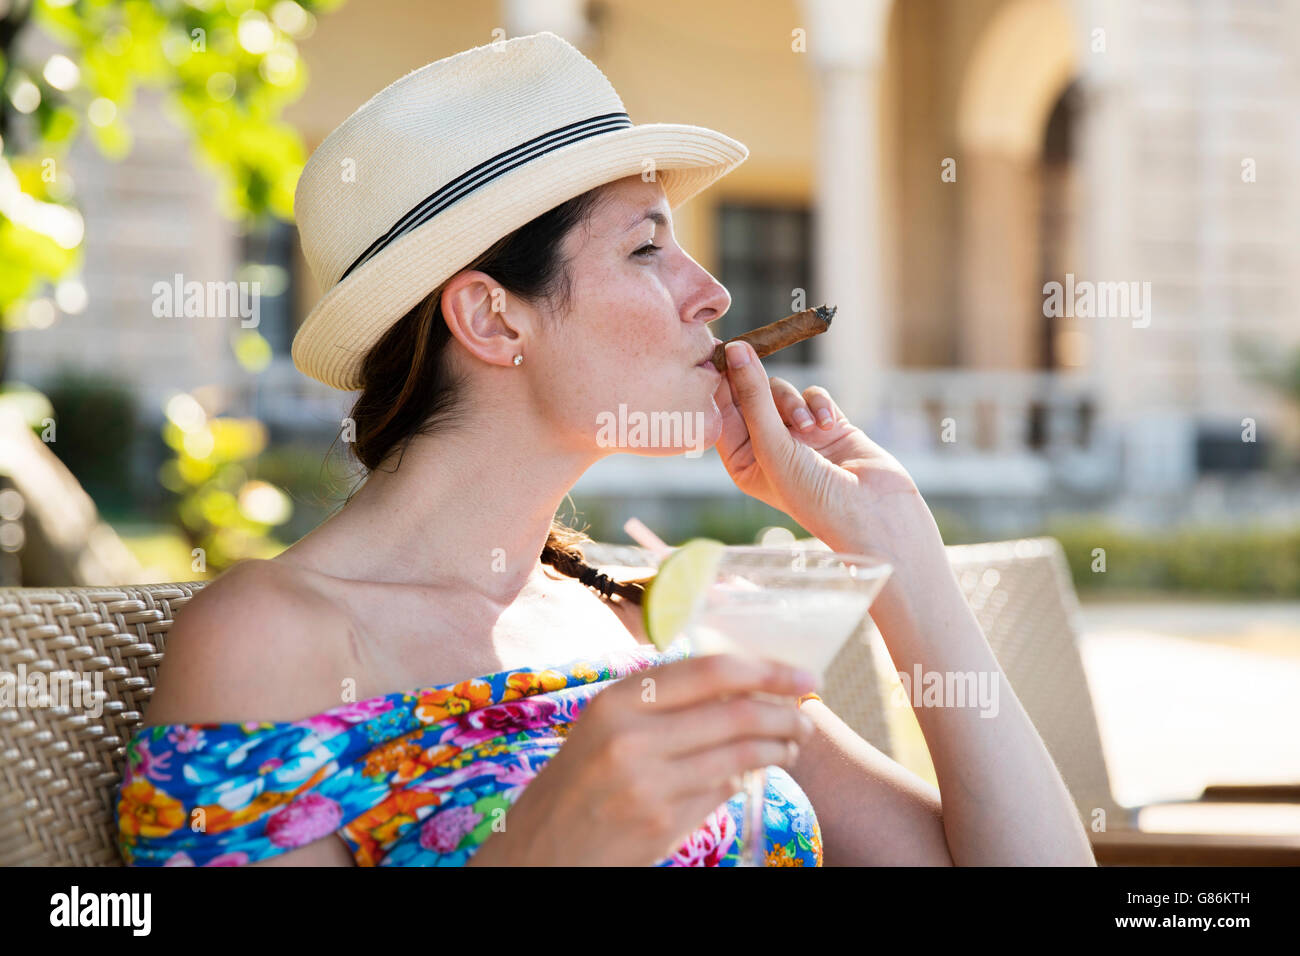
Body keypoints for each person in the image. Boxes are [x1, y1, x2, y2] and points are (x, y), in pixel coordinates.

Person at [115, 31, 1095, 867]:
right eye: (646, 248)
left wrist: (900, 556)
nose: (710, 292)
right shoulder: (272, 642)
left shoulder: (651, 614)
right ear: (492, 319)